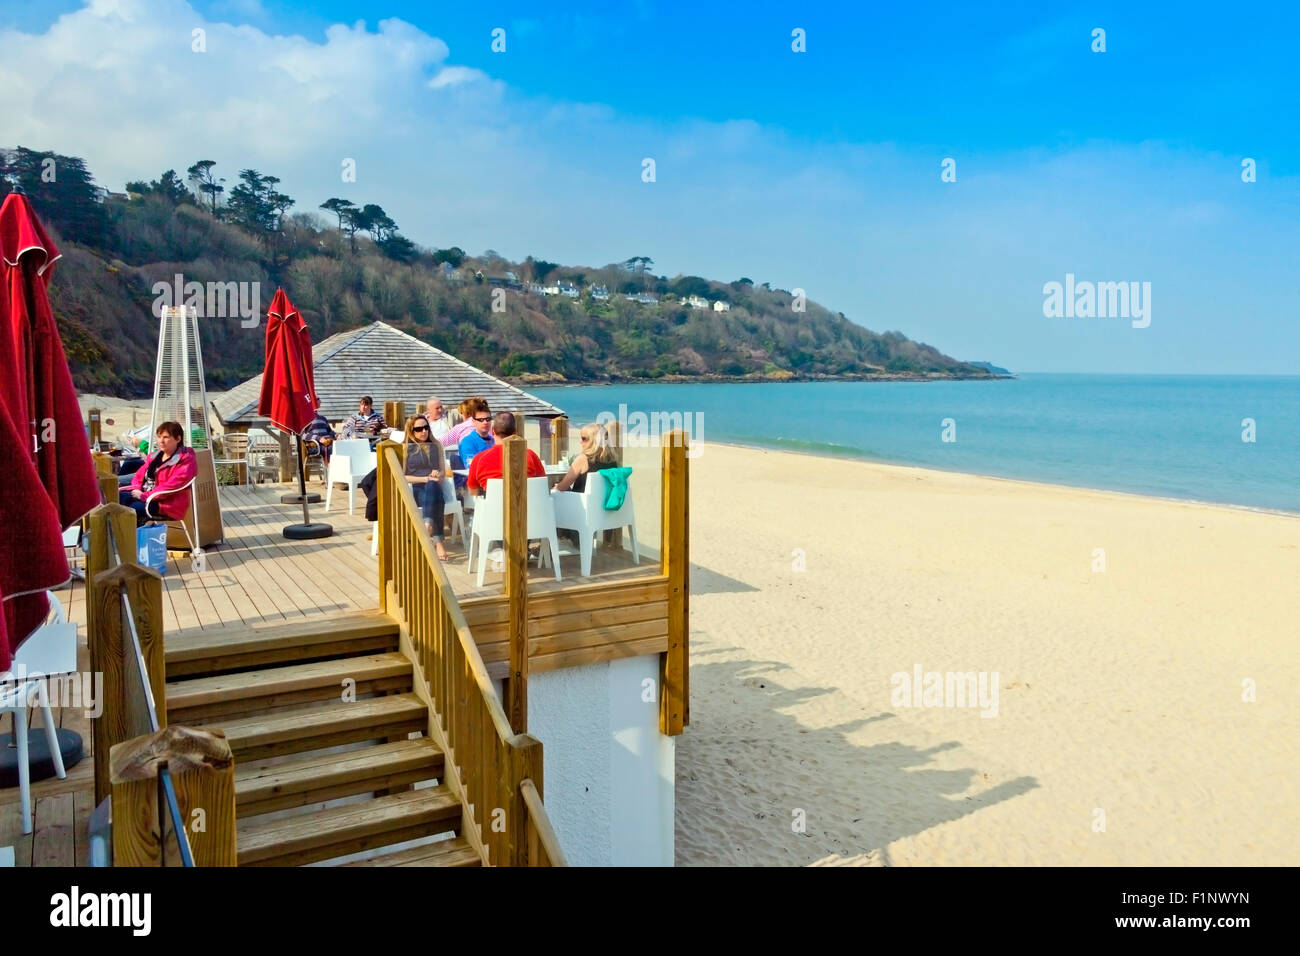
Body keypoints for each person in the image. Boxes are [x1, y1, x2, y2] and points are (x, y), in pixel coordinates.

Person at [118, 421, 198, 527]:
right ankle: (124, 538)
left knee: (129, 508)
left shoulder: (185, 460)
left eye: (166, 437)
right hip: (146, 495)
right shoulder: (155, 456)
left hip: (165, 504)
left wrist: (143, 496)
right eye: (159, 437)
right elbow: (139, 476)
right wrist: (137, 488)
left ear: (178, 439)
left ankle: (132, 538)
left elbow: (168, 488)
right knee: (115, 497)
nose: (161, 441)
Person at [402, 415, 449, 561]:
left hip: (433, 486)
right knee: (435, 494)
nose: (424, 431)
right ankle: (438, 541)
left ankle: (428, 523)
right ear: (411, 431)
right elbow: (402, 476)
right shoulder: (405, 449)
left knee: (433, 485)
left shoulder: (436, 446)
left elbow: (442, 472)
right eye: (419, 429)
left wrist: (438, 474)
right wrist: (425, 478)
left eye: (426, 427)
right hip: (415, 489)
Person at [466, 412, 546, 496]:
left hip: (491, 508)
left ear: (492, 431)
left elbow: (473, 491)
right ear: (515, 432)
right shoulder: (530, 455)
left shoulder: (479, 459)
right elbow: (542, 485)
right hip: (527, 507)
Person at [552, 423, 619, 493]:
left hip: (580, 502)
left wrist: (550, 491)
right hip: (604, 502)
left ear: (594, 441)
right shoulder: (613, 461)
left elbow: (562, 487)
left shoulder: (583, 459)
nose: (580, 442)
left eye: (584, 438)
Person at [456, 402, 495, 469]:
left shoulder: (494, 440)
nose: (485, 422)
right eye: (481, 420)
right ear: (473, 421)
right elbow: (471, 467)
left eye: (488, 419)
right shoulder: (467, 442)